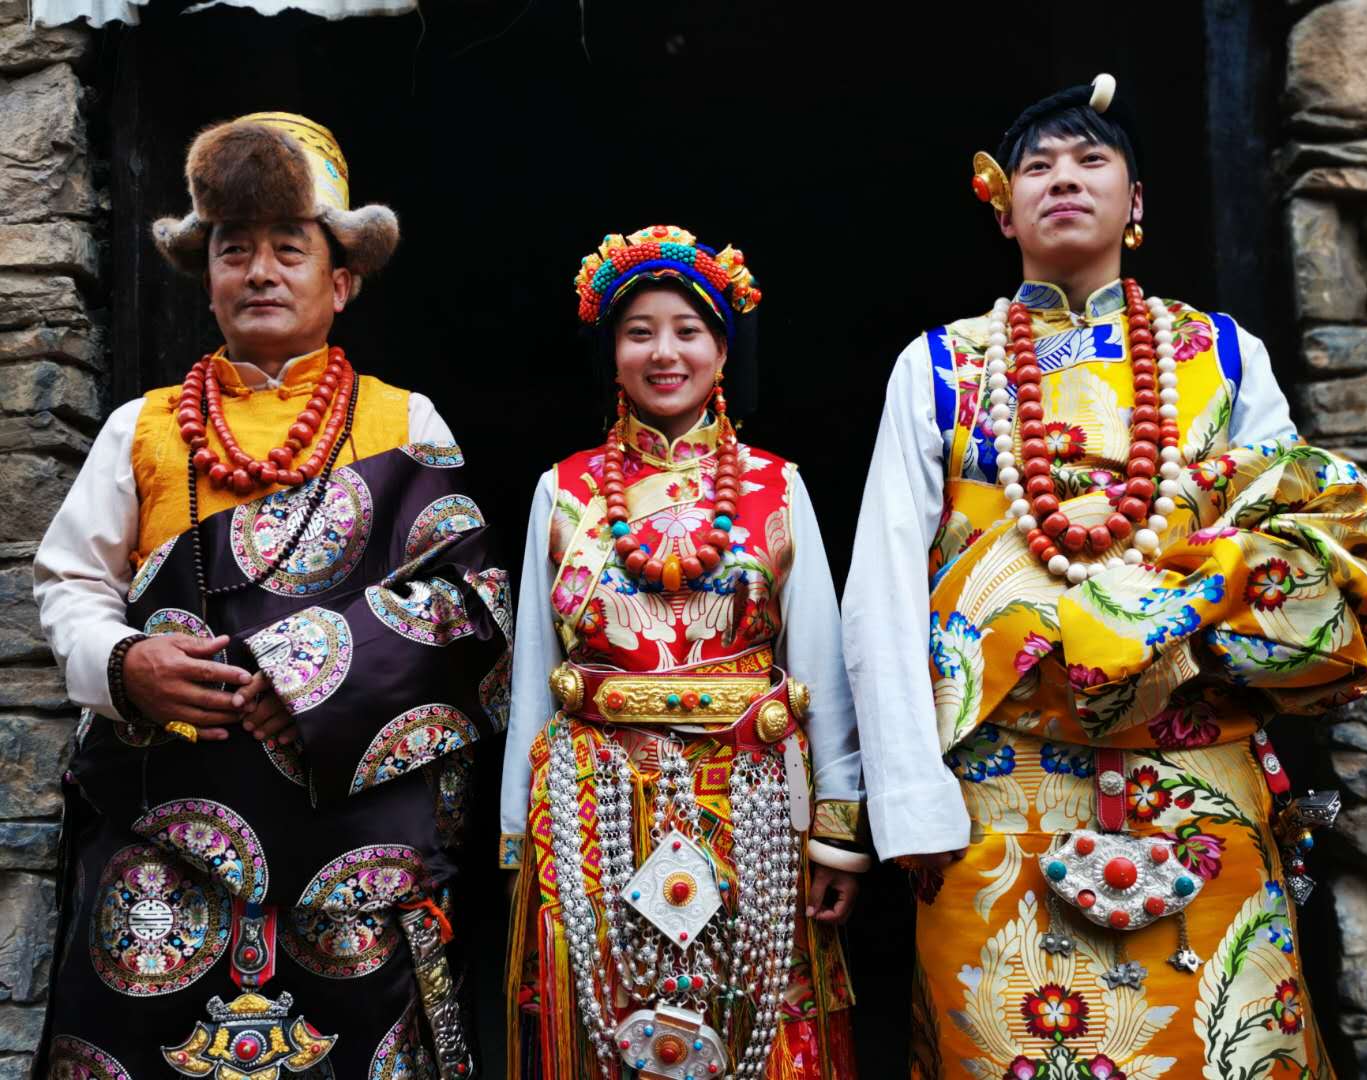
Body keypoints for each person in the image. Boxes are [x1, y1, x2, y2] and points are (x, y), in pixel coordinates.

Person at [842, 75, 1367, 1076]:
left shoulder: (1224, 354)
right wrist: (909, 799)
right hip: (992, 795)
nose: (1064, 179)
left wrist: (1197, 603)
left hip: (1197, 787)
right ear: (1001, 207)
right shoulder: (941, 366)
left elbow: (1301, 537)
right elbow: (881, 590)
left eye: (1091, 160)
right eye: (1037, 166)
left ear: (1136, 200)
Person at [32, 113, 511, 1078]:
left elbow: (470, 603)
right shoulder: (142, 427)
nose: (259, 272)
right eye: (233, 250)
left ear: (342, 281)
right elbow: (72, 584)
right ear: (206, 277)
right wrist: (126, 664)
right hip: (163, 830)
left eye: (289, 250)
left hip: (353, 835)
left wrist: (307, 681)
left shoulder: (406, 421)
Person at [501, 225, 864, 1078]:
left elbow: (818, 665)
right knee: (606, 1029)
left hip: (753, 804)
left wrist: (839, 829)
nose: (664, 353)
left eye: (688, 330)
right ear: (612, 353)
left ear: (723, 350)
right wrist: (517, 837)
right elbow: (531, 680)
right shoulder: (564, 489)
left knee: (755, 1020)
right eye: (639, 333)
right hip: (592, 811)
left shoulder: (778, 485)